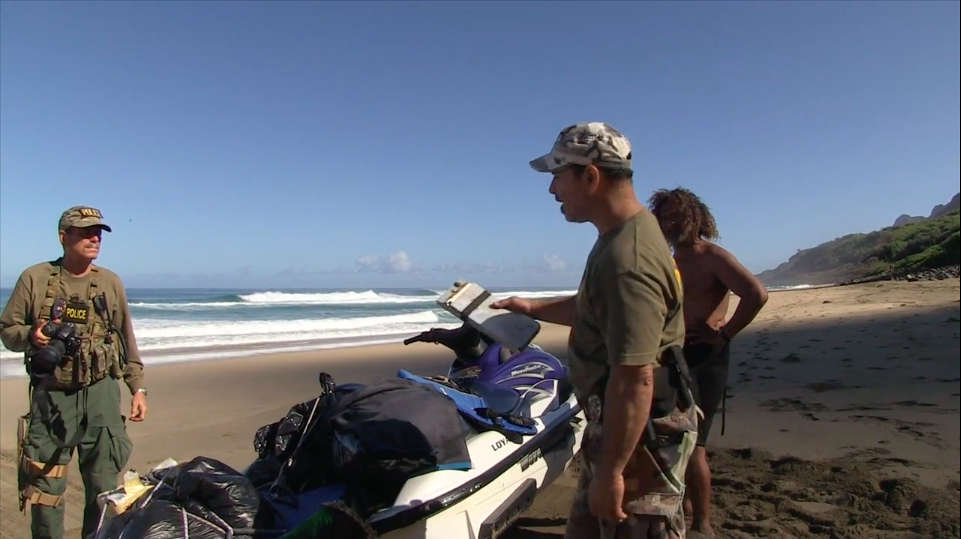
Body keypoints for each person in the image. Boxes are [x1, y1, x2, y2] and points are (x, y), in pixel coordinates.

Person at [491, 122, 698, 539]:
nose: (552, 190)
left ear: (591, 176)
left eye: (557, 176)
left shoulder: (629, 260)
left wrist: (612, 474)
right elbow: (595, 310)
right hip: (620, 430)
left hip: (641, 438)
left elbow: (635, 378)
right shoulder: (622, 234)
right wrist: (529, 307)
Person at [0, 205, 148, 539]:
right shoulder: (35, 278)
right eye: (84, 232)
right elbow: (7, 330)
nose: (94, 238)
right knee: (45, 490)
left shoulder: (110, 282)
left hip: (101, 396)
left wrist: (137, 388)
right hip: (52, 397)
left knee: (105, 489)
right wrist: (30, 335)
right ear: (63, 237)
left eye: (98, 232)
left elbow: (126, 340)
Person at [648, 187, 769, 538]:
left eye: (678, 215)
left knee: (695, 445)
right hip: (671, 356)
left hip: (705, 359)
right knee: (670, 438)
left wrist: (725, 333)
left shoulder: (713, 257)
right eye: (665, 216)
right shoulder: (667, 260)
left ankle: (703, 525)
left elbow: (756, 294)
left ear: (696, 216)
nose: (671, 222)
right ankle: (683, 509)